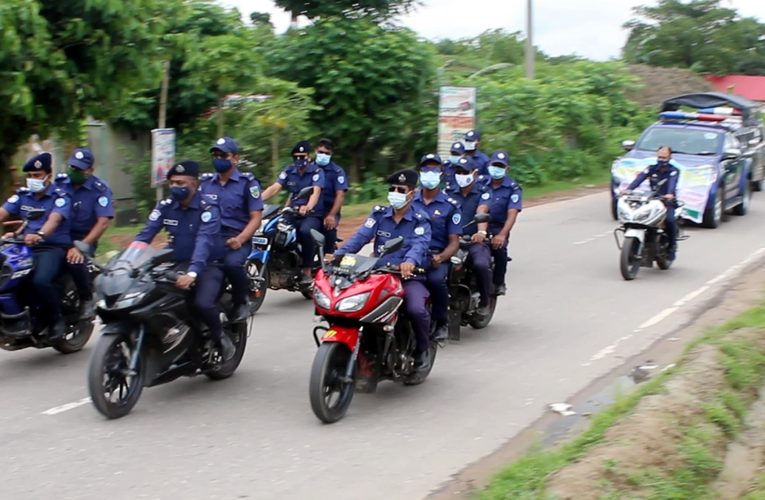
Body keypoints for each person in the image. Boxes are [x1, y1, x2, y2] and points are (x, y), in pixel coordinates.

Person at [332, 169, 433, 370]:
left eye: (400, 189)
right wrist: (339, 254)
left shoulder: (420, 219)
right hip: (377, 274)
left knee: (415, 309)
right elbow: (361, 237)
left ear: (412, 193)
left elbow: (419, 244)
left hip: (406, 276)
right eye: (392, 188)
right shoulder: (379, 214)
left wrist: (409, 261)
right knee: (353, 305)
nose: (395, 192)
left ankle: (423, 349)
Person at [135, 161, 235, 360]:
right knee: (151, 295)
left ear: (194, 184)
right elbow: (145, 235)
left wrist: (192, 273)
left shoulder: (208, 208)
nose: (175, 187)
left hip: (207, 264)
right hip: (176, 261)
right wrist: (129, 260)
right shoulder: (166, 206)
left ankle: (220, 337)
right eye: (172, 183)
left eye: (181, 183)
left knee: (203, 303)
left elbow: (204, 241)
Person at [0, 153, 72, 339]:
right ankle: (21, 316)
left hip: (51, 247)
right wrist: (15, 235)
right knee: (12, 277)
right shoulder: (23, 196)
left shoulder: (60, 197)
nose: (33, 179)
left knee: (40, 281)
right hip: (25, 246)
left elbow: (54, 221)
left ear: (48, 175)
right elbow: (3, 212)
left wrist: (40, 234)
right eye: (30, 175)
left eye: (37, 175)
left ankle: (56, 319)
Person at [199, 137, 263, 322]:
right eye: (215, 155)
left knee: (232, 265)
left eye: (223, 155)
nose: (218, 158)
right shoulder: (205, 183)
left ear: (235, 158)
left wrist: (241, 239)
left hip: (235, 238)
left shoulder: (247, 183)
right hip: (210, 237)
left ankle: (241, 301)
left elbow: (256, 218)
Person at [55, 147, 114, 318]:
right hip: (58, 236)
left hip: (82, 238)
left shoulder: (99, 189)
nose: (74, 171)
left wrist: (82, 246)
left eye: (79, 169)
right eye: (72, 167)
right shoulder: (60, 183)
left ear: (90, 171)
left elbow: (103, 222)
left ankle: (87, 298)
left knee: (75, 261)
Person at [261, 140, 324, 285]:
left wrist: (307, 206)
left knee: (305, 231)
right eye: (296, 157)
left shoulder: (316, 171)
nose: (299, 160)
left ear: (308, 156)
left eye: (302, 156)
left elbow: (315, 192)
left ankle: (307, 269)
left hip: (311, 214)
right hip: (292, 212)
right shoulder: (289, 171)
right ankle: (278, 262)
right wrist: (256, 200)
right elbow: (275, 187)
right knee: (273, 229)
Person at [413, 153, 462, 342]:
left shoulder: (450, 206)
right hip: (412, 255)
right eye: (426, 169)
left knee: (435, 281)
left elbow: (454, 242)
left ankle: (442, 322)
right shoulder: (410, 200)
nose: (429, 173)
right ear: (420, 173)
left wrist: (441, 258)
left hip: (436, 257)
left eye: (434, 169)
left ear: (441, 173)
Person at [446, 157, 493, 316]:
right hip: (451, 241)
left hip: (473, 241)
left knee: (480, 264)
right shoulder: (448, 191)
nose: (460, 175)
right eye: (458, 172)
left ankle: (485, 301)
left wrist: (481, 232)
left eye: (464, 172)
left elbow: (482, 210)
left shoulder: (483, 191)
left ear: (474, 173)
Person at [623, 146, 680, 260]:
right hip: (652, 200)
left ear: (670, 157)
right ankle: (635, 245)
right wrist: (628, 189)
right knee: (633, 219)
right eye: (659, 157)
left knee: (670, 220)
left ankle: (672, 246)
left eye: (664, 157)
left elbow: (672, 183)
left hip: (667, 202)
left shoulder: (673, 171)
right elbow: (640, 178)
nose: (661, 160)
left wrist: (669, 194)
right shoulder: (651, 168)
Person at [485, 151, 522, 296]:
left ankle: (499, 282)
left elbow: (512, 213)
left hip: (498, 227)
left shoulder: (513, 188)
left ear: (507, 169)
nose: (497, 168)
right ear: (489, 165)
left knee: (499, 250)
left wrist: (502, 234)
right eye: (495, 165)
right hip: (476, 225)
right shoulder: (481, 183)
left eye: (501, 166)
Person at [314, 138, 349, 254]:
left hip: (329, 209)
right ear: (315, 151)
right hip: (311, 208)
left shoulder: (337, 171)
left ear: (331, 154)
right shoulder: (309, 168)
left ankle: (329, 258)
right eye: (321, 152)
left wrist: (332, 215)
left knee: (329, 230)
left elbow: (340, 195)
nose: (323, 155)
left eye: (327, 153)